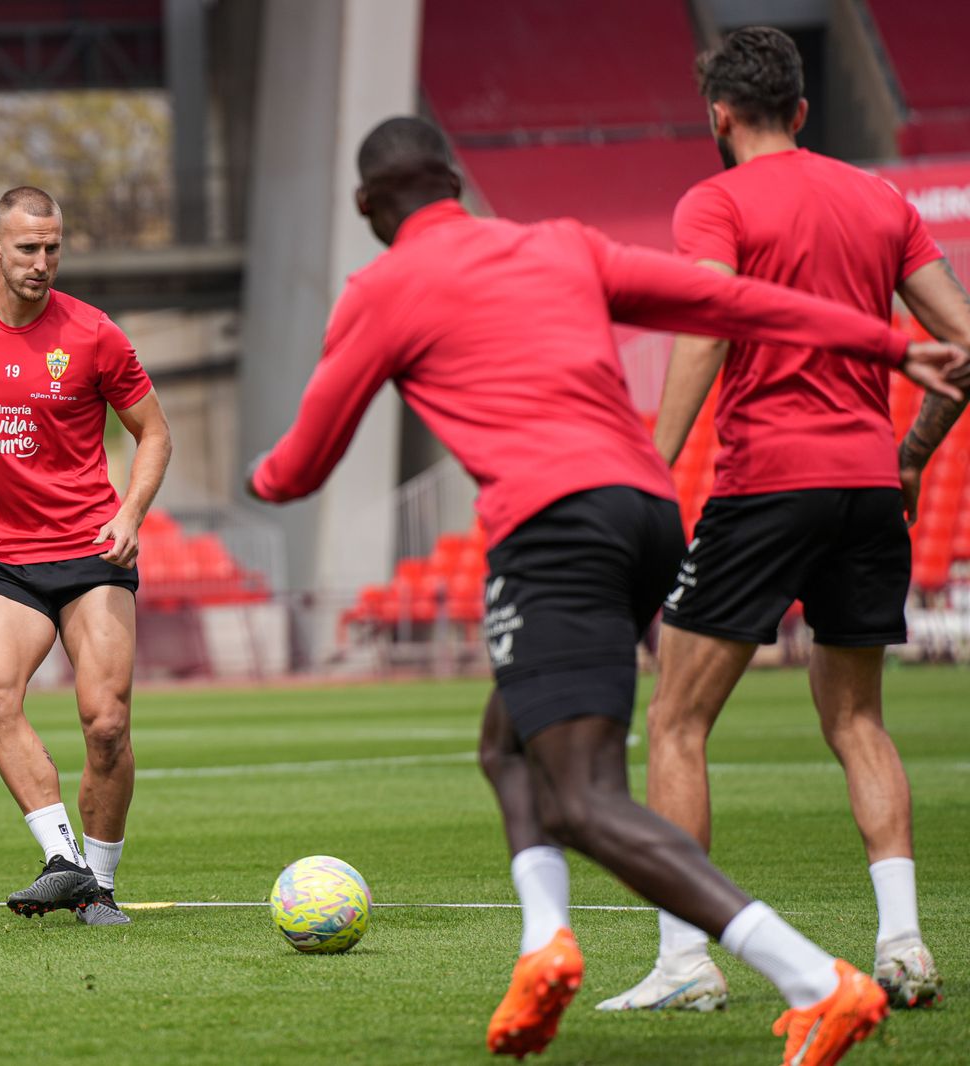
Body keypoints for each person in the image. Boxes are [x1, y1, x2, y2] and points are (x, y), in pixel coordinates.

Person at [245, 116, 965, 1064]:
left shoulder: (382, 289)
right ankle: (545, 946)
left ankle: (812, 980)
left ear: (367, 206)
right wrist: (884, 345)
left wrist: (256, 479)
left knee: (584, 799)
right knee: (507, 745)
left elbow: (299, 469)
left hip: (557, 529)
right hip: (649, 514)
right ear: (454, 180)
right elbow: (730, 301)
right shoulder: (562, 245)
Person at [598, 27, 968, 1015]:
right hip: (867, 485)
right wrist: (911, 454)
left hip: (767, 481)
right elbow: (965, 340)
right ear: (802, 110)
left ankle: (685, 959)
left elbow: (706, 327)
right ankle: (903, 944)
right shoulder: (882, 199)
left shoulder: (715, 201)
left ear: (719, 115)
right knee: (857, 720)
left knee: (676, 720)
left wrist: (650, 467)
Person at [0, 186, 171, 926]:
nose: (42, 262)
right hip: (6, 560)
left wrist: (131, 512)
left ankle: (100, 886)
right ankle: (64, 862)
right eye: (28, 248)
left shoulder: (95, 334)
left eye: (53, 248)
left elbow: (154, 431)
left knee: (106, 725)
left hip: (92, 552)